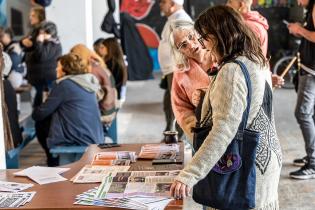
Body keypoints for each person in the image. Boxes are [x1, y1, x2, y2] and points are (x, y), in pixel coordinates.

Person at [170, 6, 282, 210]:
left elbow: (224, 131)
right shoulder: (255, 58)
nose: (202, 46)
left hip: (245, 169)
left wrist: (189, 174)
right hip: (265, 161)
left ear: (215, 36)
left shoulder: (231, 71)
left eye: (202, 38)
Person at [32, 53, 104, 166]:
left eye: (58, 66)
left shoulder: (65, 84)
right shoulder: (87, 81)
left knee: (41, 123)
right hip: (95, 135)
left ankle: (52, 162)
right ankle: (53, 160)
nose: (56, 69)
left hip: (80, 138)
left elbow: (39, 114)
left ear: (66, 69)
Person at [168, 20, 212, 141]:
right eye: (183, 45)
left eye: (191, 37)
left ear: (197, 33)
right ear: (179, 51)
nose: (191, 45)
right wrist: (197, 134)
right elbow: (181, 108)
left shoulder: (218, 53)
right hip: (203, 131)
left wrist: (206, 94)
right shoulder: (181, 73)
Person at [226, 0, 284, 88]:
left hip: (247, 82)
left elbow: (244, 60)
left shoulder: (247, 27)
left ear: (241, 5)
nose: (226, 5)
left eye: (230, 2)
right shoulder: (253, 22)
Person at [287, 0, 315, 179]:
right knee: (310, 113)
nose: (298, 1)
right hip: (309, 67)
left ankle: (313, 163)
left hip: (312, 70)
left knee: (303, 113)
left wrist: (299, 29)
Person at [70, 44, 118, 143]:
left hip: (104, 113)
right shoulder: (97, 64)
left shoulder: (90, 71)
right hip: (110, 107)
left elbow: (89, 96)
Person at [158, 0, 191, 138]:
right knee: (169, 106)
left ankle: (178, 141)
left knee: (177, 108)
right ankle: (171, 137)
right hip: (171, 71)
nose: (160, 4)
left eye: (163, 1)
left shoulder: (181, 20)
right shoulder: (172, 19)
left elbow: (186, 48)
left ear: (172, 4)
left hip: (177, 71)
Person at [24, 21, 62, 107]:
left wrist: (39, 42)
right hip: (38, 80)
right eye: (41, 32)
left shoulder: (53, 44)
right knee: (37, 103)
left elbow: (42, 57)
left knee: (41, 104)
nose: (42, 35)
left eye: (45, 33)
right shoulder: (43, 42)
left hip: (45, 80)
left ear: (51, 33)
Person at [94, 37, 128, 103]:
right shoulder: (115, 61)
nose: (100, 50)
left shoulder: (113, 63)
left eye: (102, 47)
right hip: (114, 95)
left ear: (109, 48)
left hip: (112, 97)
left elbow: (110, 83)